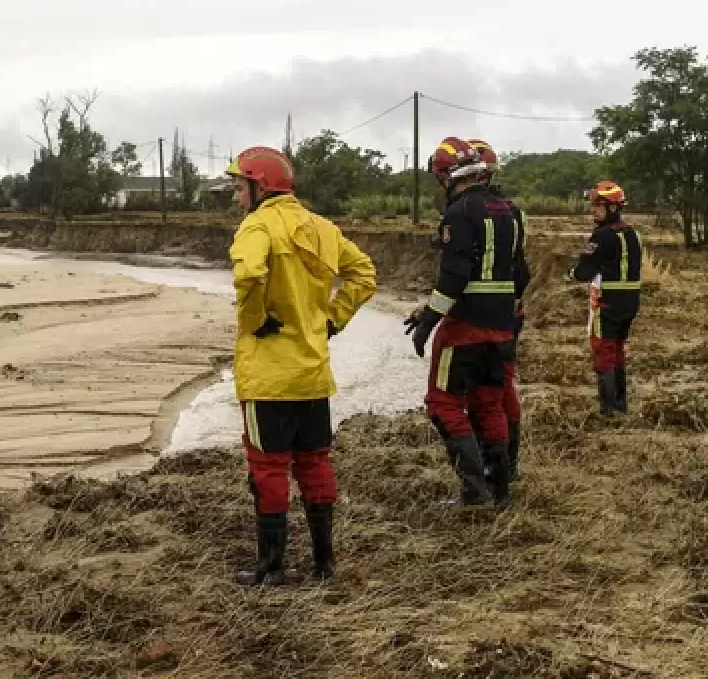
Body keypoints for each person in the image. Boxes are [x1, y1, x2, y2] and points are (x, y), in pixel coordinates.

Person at [226, 146, 377, 585]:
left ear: (260, 186)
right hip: (313, 372)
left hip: (268, 377)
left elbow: (248, 276)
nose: (237, 198)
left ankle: (271, 568)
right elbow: (364, 274)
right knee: (314, 462)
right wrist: (332, 318)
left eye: (239, 188)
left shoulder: (255, 227)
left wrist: (254, 320)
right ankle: (324, 564)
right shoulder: (322, 228)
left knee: (268, 468)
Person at [404, 137, 529, 508]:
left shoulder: (459, 212)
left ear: (446, 175)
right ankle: (499, 488)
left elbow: (455, 275)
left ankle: (474, 492)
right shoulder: (510, 211)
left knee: (443, 403)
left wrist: (430, 318)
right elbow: (520, 273)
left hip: (464, 327)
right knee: (489, 404)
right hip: (503, 324)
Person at [468, 139, 527, 480]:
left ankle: (499, 466)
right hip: (507, 309)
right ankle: (501, 464)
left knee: (492, 390)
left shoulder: (489, 212)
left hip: (491, 314)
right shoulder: (510, 211)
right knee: (497, 387)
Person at [569, 181, 641, 416]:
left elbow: (583, 272)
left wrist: (572, 272)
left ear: (612, 208)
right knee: (619, 349)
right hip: (630, 301)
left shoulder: (601, 235)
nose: (593, 210)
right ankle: (621, 404)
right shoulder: (633, 234)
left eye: (598, 205)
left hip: (607, 301)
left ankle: (607, 409)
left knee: (603, 350)